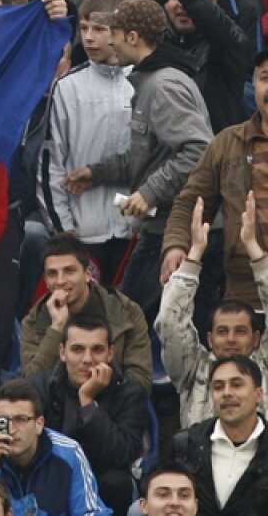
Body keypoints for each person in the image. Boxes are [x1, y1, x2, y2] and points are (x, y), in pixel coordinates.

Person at [62, 0, 213, 316]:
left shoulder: (163, 86)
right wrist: (98, 172)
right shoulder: (151, 81)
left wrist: (149, 191)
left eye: (112, 33)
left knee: (125, 319)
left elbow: (199, 149)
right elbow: (150, 154)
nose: (109, 42)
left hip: (174, 226)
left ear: (132, 37)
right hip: (161, 225)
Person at [38, 0, 136, 277]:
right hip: (83, 234)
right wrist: (63, 230)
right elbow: (51, 164)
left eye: (100, 29)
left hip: (134, 231)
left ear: (122, 32)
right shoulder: (67, 87)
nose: (89, 38)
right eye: (84, 28)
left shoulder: (145, 82)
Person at [160, 51, 268, 307]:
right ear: (253, 86)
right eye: (265, 78)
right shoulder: (227, 143)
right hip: (245, 295)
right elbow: (190, 204)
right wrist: (175, 246)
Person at [158, 195, 268, 429]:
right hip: (202, 464)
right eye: (222, 331)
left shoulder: (264, 365)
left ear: (256, 338)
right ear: (209, 338)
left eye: (240, 331)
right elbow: (169, 321)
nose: (230, 339)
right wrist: (195, 253)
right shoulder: (192, 369)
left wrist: (253, 249)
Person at [27, 316, 148, 514]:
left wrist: (88, 401)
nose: (87, 359)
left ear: (110, 353)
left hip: (103, 479)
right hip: (51, 474)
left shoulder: (130, 391)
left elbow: (122, 455)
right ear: (62, 352)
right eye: (77, 349)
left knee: (118, 482)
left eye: (97, 350)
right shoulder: (38, 388)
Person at [19, 234, 153, 392]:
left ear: (88, 274)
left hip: (113, 405)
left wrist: (95, 393)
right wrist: (56, 328)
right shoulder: (33, 321)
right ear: (46, 280)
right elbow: (32, 387)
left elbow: (140, 381)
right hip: (57, 408)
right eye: (52, 274)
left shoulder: (126, 311)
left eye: (69, 271)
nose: (61, 281)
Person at [0, 379, 108, 516]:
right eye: (3, 421)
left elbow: (91, 512)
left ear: (39, 424)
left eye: (21, 419)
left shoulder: (69, 452)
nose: (12, 429)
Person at [151, 0, 257, 133]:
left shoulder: (227, 44)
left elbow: (225, 33)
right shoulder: (155, 41)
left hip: (213, 155)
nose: (182, 3)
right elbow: (122, 31)